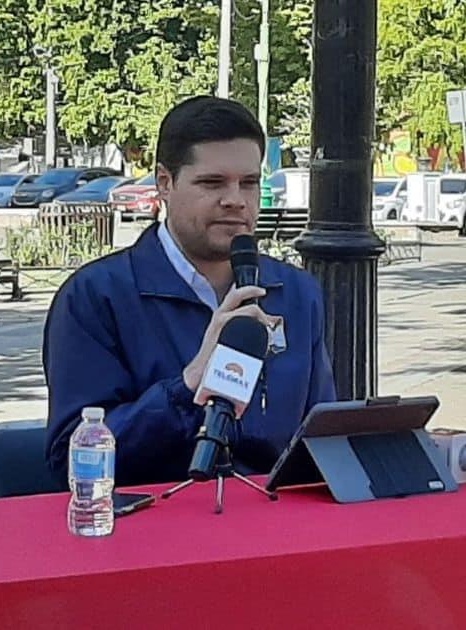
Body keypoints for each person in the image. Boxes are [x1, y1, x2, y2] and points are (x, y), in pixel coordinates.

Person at [43, 96, 337, 487]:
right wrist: (189, 384)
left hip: (273, 523)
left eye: (249, 183)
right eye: (212, 183)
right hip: (152, 528)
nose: (235, 200)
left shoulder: (297, 293)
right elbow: (72, 458)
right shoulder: (96, 297)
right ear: (164, 183)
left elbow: (323, 438)